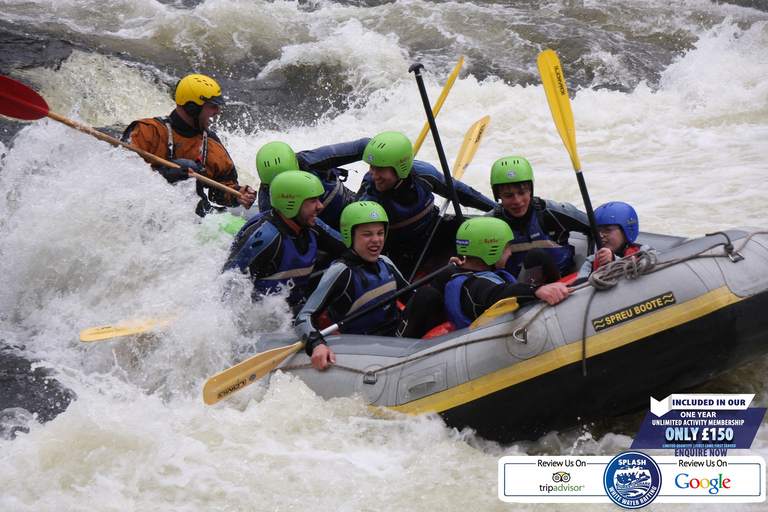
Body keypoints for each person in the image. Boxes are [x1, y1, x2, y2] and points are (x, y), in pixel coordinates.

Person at [357, 131, 497, 278]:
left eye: (380, 169)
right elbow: (358, 229)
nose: (374, 175)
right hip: (399, 246)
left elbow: (462, 193)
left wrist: (497, 209)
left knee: (481, 231)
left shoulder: (423, 174)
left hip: (435, 227)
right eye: (371, 167)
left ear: (400, 169)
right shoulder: (370, 190)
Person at [294, 201, 413, 371]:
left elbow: (413, 298)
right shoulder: (340, 272)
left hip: (397, 333)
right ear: (350, 236)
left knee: (428, 295)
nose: (376, 240)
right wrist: (317, 344)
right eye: (367, 234)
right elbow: (303, 317)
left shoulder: (385, 263)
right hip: (364, 348)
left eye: (380, 233)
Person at [122, 74, 256, 216]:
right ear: (192, 108)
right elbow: (123, 177)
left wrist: (237, 194)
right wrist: (165, 175)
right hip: (149, 212)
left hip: (195, 217)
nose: (218, 112)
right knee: (186, 165)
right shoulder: (147, 131)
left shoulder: (211, 143)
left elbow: (219, 190)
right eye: (213, 106)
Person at [222, 171, 345, 314]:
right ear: (291, 203)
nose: (320, 206)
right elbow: (226, 284)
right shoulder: (263, 238)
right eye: (313, 201)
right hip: (263, 318)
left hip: (294, 308)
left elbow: (349, 249)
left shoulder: (313, 226)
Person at [435, 217, 570, 329]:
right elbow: (498, 292)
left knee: (538, 256)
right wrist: (537, 290)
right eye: (506, 247)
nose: (510, 253)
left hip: (499, 317)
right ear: (490, 251)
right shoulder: (476, 285)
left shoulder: (463, 274)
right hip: (495, 338)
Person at [486, 156, 591, 284]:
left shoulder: (551, 212)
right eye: (508, 196)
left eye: (522, 192)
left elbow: (595, 227)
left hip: (560, 285)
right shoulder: (490, 224)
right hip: (515, 294)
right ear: (498, 196)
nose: (517, 201)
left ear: (530, 190)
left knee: (537, 256)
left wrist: (596, 259)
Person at [255, 139, 364, 230]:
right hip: (314, 230)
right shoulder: (267, 203)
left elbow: (362, 146)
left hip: (346, 206)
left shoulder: (313, 160)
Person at [573, 202, 653, 284]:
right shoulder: (591, 261)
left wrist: (614, 261)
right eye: (597, 231)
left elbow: (645, 270)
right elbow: (580, 285)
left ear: (625, 232)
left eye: (607, 230)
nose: (600, 236)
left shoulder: (645, 252)